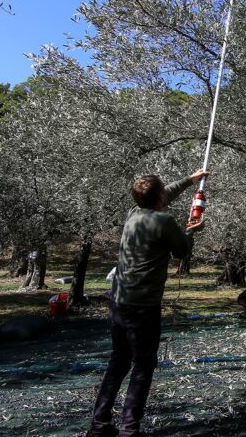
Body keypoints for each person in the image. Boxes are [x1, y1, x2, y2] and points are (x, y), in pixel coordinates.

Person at [88, 170, 207, 437]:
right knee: (143, 365)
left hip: (119, 300)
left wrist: (190, 180)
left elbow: (161, 194)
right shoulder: (164, 221)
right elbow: (181, 252)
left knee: (118, 361)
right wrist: (191, 231)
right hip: (143, 306)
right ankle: (130, 429)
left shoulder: (134, 212)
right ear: (160, 197)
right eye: (164, 191)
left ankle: (99, 425)